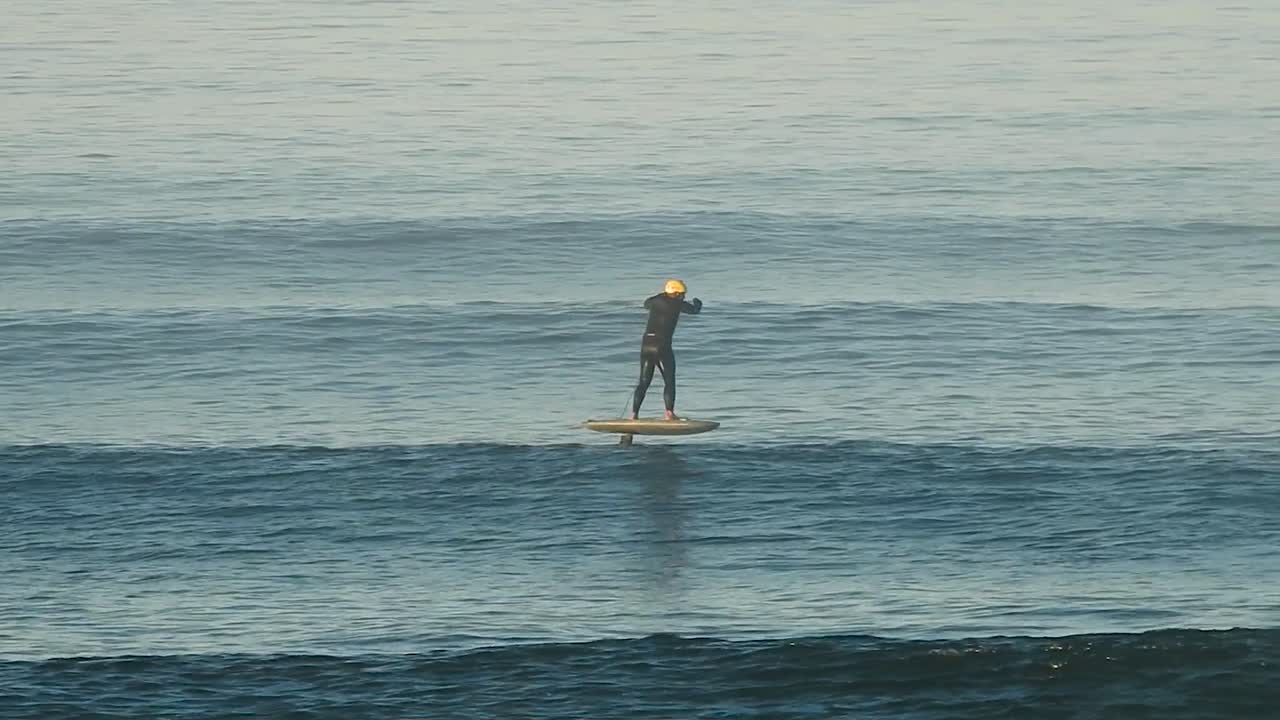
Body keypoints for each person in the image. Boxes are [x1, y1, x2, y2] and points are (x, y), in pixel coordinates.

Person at [630, 279, 703, 420]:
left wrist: (662, 295)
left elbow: (646, 303)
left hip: (646, 344)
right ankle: (669, 414)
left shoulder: (655, 301)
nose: (683, 297)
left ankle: (633, 415)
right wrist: (697, 303)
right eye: (682, 294)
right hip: (662, 346)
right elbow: (694, 311)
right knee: (669, 380)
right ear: (675, 294)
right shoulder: (677, 303)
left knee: (643, 381)